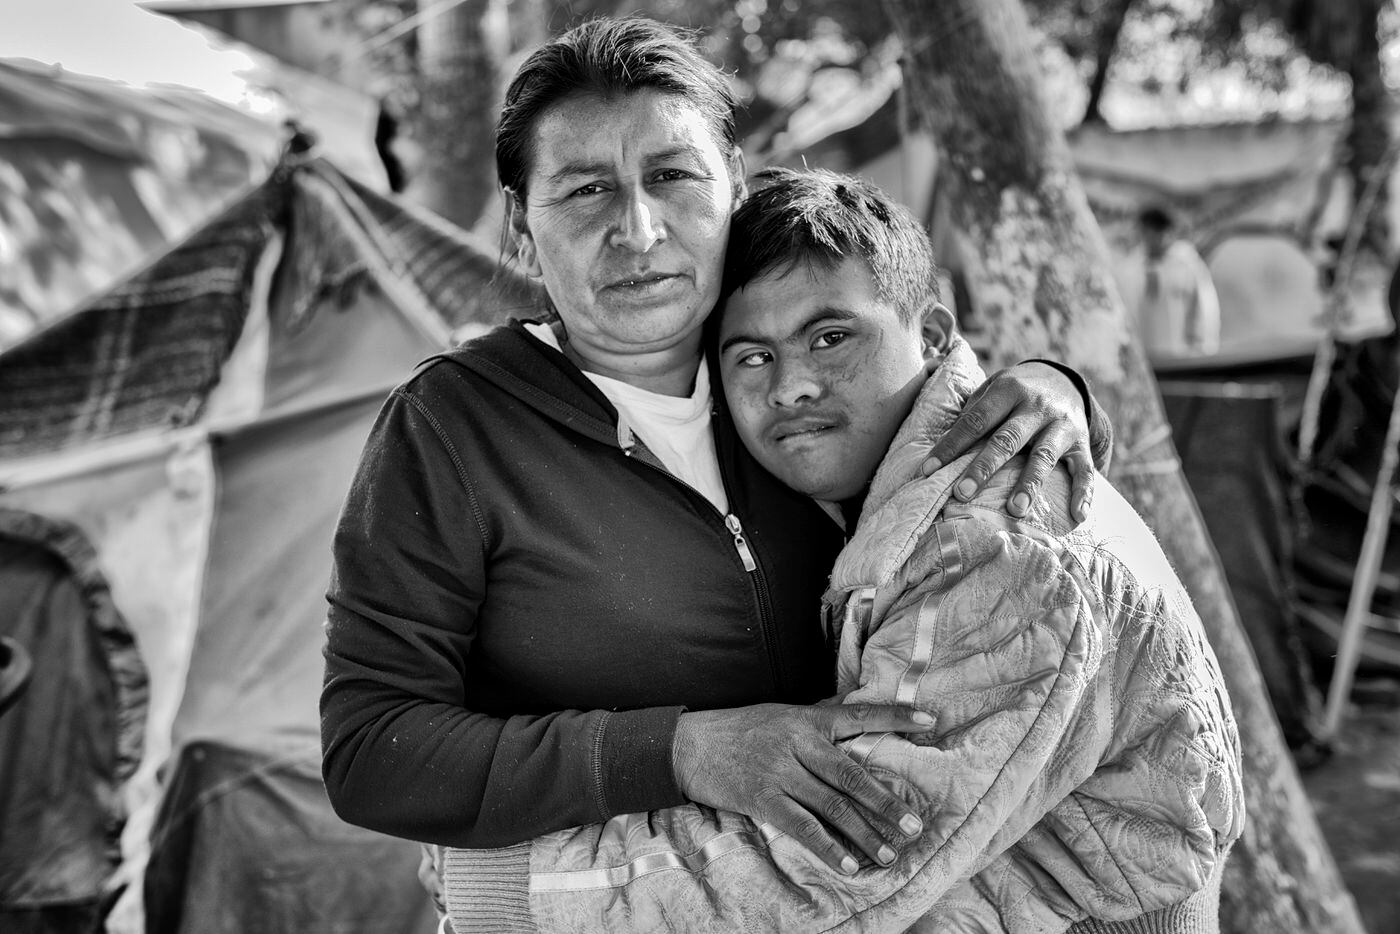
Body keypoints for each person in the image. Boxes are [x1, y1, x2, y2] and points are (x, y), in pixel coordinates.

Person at [320, 15, 1112, 928]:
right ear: (521, 221)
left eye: (672, 176)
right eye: (584, 191)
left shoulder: (792, 379)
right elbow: (373, 750)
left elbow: (957, 424)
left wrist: (1060, 391)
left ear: (733, 185)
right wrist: (680, 751)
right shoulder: (454, 427)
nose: (638, 228)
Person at [441, 169, 1245, 934]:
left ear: (930, 333)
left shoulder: (996, 542)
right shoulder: (865, 490)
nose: (790, 385)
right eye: (752, 356)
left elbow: (844, 858)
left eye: (831, 338)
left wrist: (507, 889)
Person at [1124, 206, 1220, 362]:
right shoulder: (1132, 267)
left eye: (1155, 233)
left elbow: (1204, 310)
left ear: (1166, 232)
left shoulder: (1187, 265)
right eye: (1145, 232)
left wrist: (1202, 349)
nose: (1150, 239)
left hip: (1181, 356)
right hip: (1146, 358)